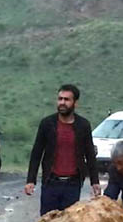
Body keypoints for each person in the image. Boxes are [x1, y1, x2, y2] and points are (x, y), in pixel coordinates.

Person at [25, 84, 100, 214]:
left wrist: (95, 182)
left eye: (67, 99)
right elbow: (37, 152)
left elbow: (90, 154)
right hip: (51, 182)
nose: (62, 103)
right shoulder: (47, 124)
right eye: (60, 99)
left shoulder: (83, 125)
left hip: (73, 184)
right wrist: (31, 180)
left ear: (75, 103)